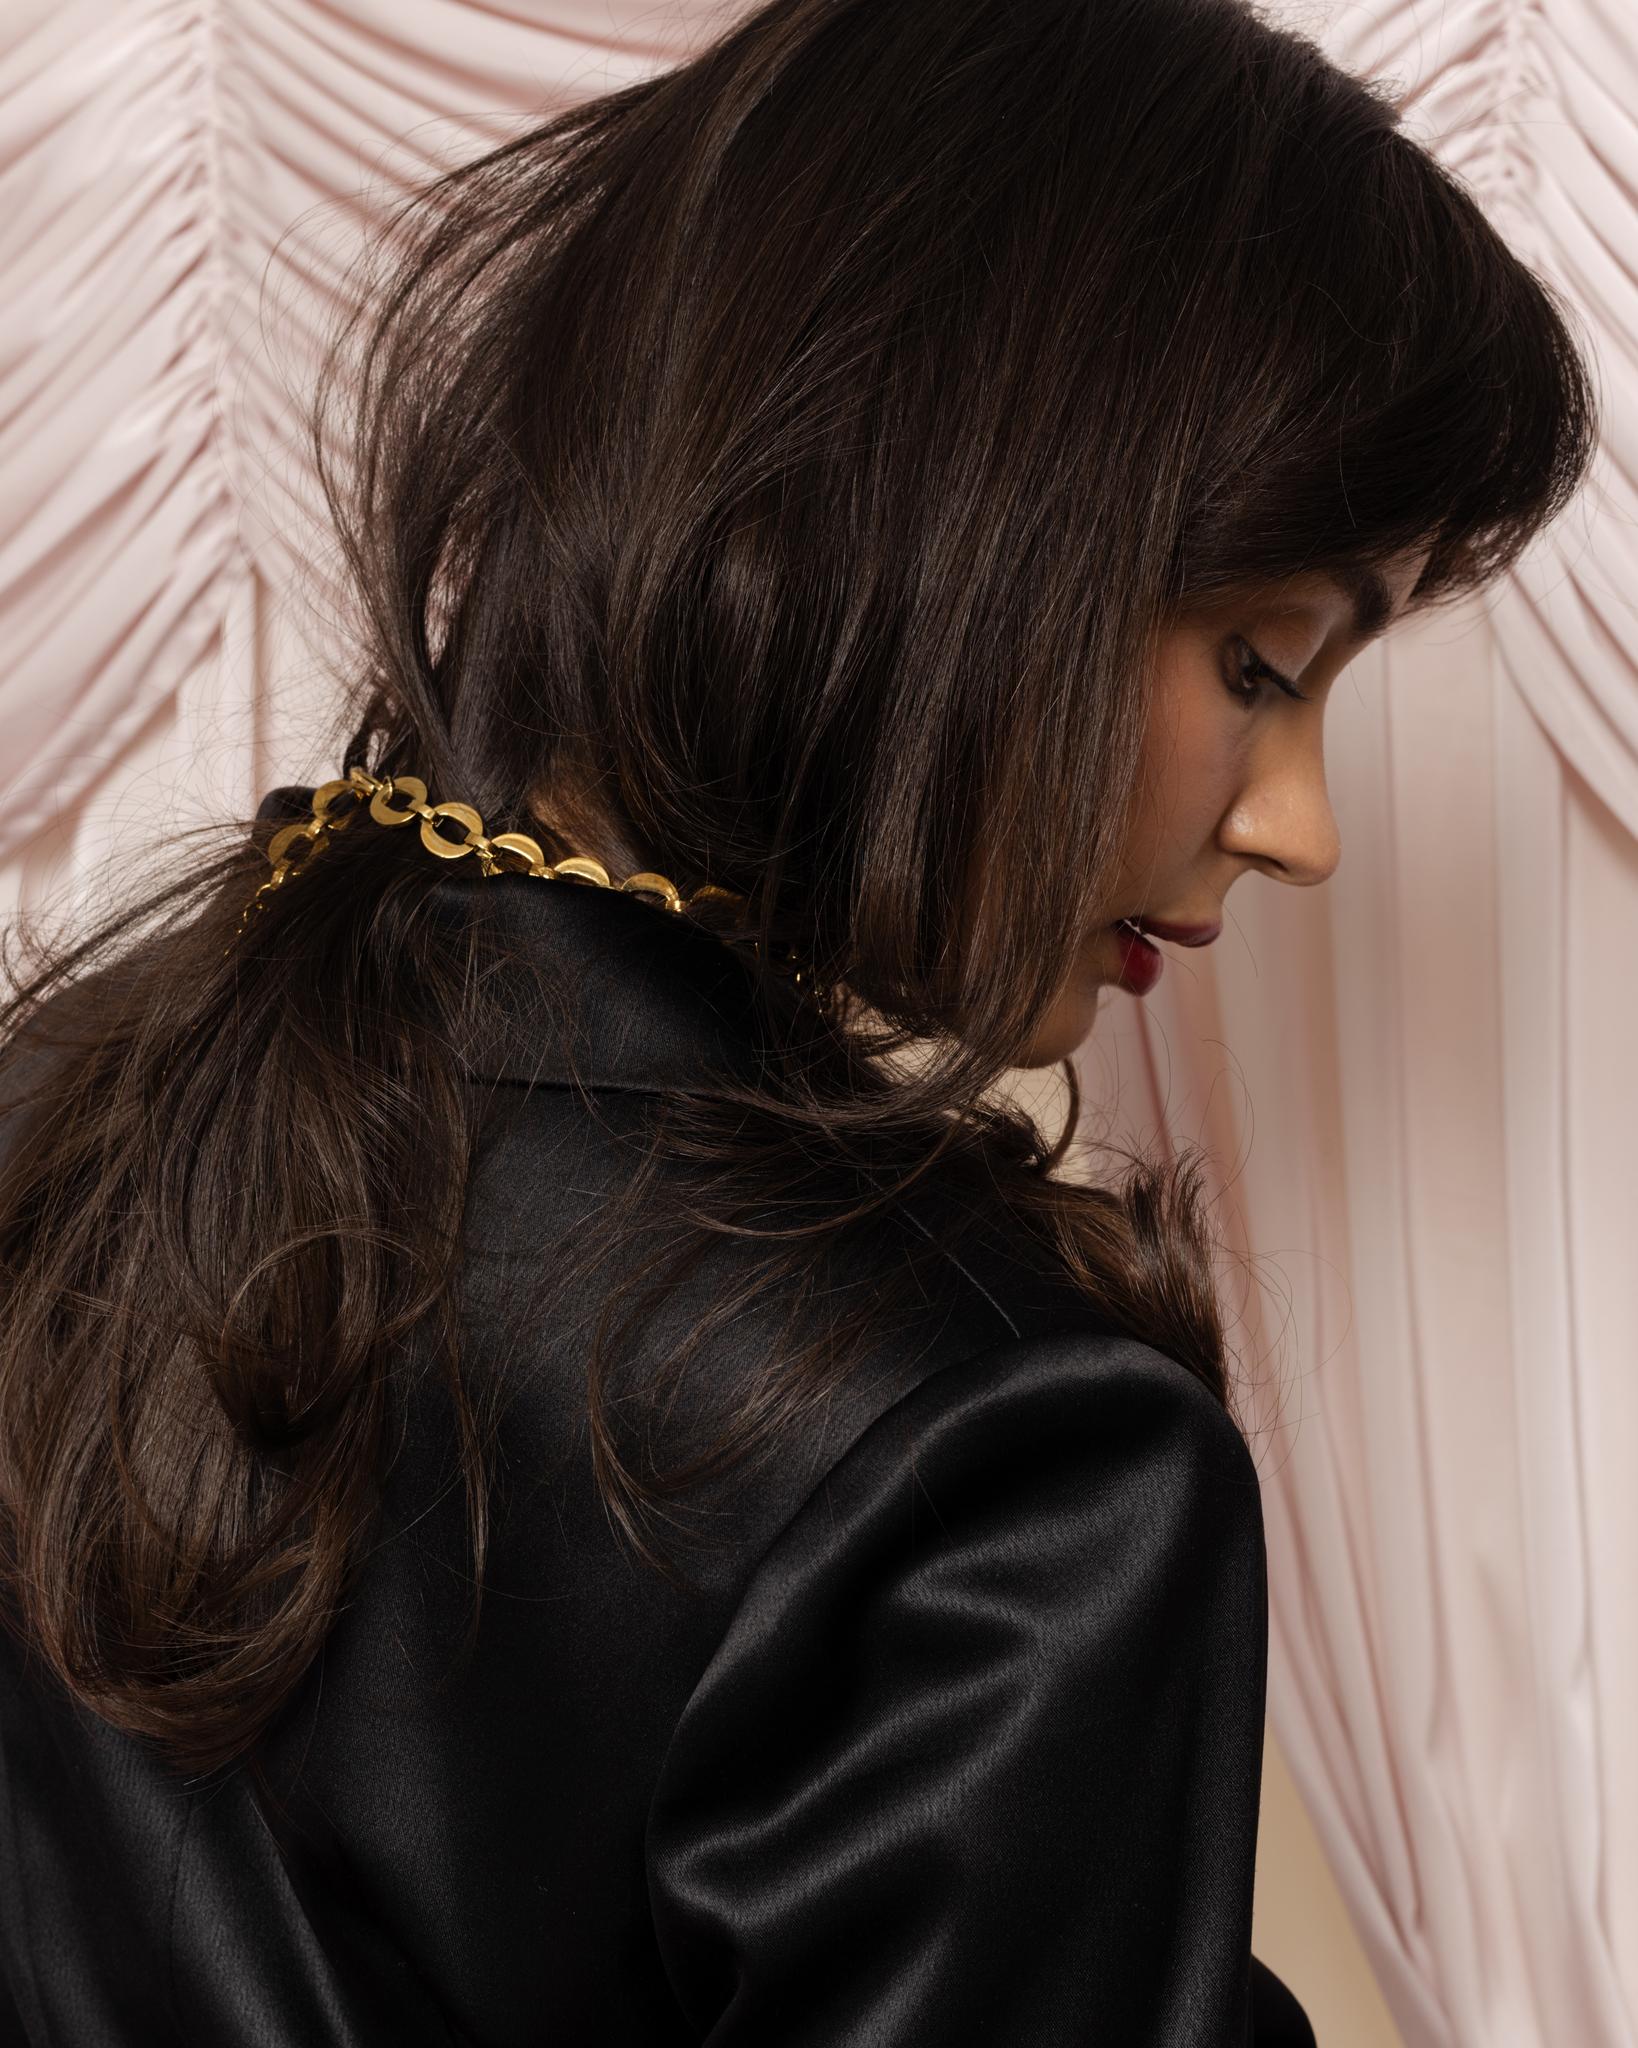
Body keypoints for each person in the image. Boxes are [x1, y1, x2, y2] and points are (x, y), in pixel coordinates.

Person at [0, 0, 1596, 2040]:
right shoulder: (989, 1444)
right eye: (1264, 665)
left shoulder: (75, 1087)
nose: (1300, 829)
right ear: (948, 526)